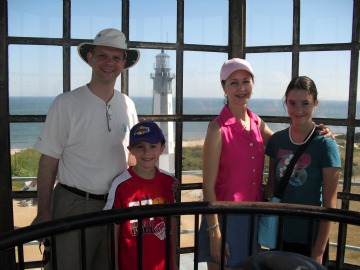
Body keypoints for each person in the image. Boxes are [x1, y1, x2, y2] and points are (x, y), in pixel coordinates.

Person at [198, 58, 332, 270]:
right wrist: (214, 231)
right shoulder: (217, 129)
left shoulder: (256, 122)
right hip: (224, 218)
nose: (241, 88)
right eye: (233, 82)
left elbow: (287, 145)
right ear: (223, 87)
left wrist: (317, 133)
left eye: (246, 81)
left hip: (253, 217)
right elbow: (208, 186)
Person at [31, 28, 140, 270]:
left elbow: (132, 157)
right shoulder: (66, 104)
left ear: (124, 63)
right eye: (103, 56)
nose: (109, 63)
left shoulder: (127, 104)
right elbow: (48, 161)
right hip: (74, 205)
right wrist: (44, 212)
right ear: (90, 58)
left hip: (116, 206)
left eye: (115, 57)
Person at [263, 76, 341, 267]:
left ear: (316, 104)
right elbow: (271, 187)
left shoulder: (326, 145)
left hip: (310, 238)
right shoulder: (277, 141)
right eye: (292, 103)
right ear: (285, 103)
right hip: (279, 235)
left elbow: (330, 204)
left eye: (305, 103)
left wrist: (318, 250)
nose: (298, 110)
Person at [104, 121, 178, 270]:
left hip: (163, 264)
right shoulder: (120, 185)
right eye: (140, 147)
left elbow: (173, 222)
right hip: (130, 264)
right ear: (130, 149)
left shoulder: (168, 182)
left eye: (152, 146)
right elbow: (114, 229)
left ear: (162, 148)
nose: (147, 152)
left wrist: (174, 263)